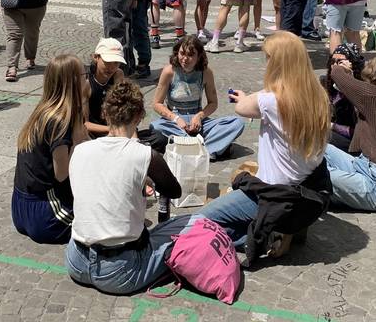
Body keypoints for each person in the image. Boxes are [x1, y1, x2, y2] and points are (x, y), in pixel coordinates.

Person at [65, 79, 199, 295]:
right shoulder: (145, 155)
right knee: (189, 227)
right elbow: (174, 191)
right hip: (119, 270)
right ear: (138, 117)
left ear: (105, 114)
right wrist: (147, 176)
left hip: (76, 260)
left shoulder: (80, 150)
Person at [201, 31, 330, 245]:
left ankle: (271, 234)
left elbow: (242, 107)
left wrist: (264, 88)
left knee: (202, 221)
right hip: (302, 191)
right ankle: (281, 228)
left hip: (274, 195)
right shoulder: (318, 97)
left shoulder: (272, 100)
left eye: (269, 59)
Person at [12, 54, 88, 244]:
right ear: (73, 82)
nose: (87, 79)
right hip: (45, 214)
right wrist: (78, 142)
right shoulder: (59, 122)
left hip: (21, 205)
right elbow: (61, 174)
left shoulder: (45, 109)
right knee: (105, 222)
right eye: (84, 75)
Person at [325, 56, 376, 211]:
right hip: (364, 167)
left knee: (316, 173)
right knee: (318, 149)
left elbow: (336, 74)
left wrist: (343, 67)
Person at [150, 36, 245, 161]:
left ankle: (201, 148)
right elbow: (157, 104)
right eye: (182, 53)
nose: (185, 59)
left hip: (198, 119)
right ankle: (202, 145)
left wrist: (199, 116)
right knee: (156, 127)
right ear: (177, 53)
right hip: (175, 121)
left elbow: (213, 103)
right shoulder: (169, 71)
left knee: (237, 123)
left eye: (190, 55)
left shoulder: (206, 72)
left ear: (199, 56)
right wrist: (176, 119)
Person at [323, 43, 363, 152]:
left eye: (340, 62)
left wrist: (332, 126)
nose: (335, 66)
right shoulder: (326, 84)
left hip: (353, 143)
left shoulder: (360, 88)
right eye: (333, 62)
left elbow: (359, 132)